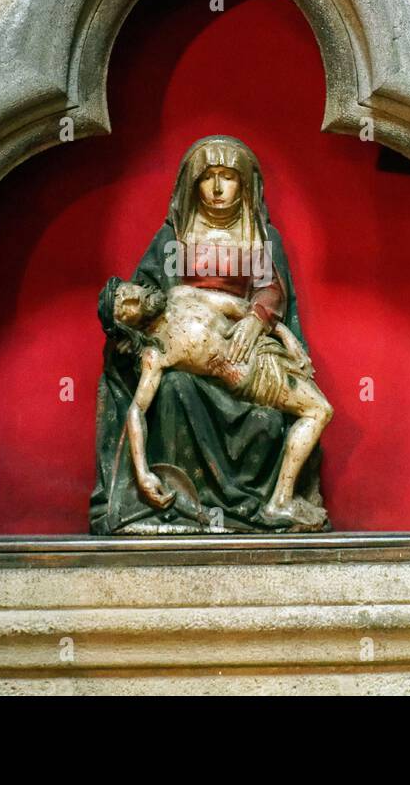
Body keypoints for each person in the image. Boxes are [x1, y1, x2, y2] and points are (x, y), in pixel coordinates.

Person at [90, 135, 332, 533]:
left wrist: (257, 321)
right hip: (183, 355)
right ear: (193, 184)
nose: (218, 189)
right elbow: (141, 303)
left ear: (245, 184)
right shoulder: (173, 237)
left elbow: (272, 289)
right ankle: (176, 502)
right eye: (208, 177)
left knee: (270, 421)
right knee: (172, 390)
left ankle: (276, 501)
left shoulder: (262, 236)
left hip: (245, 344)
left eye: (228, 177)